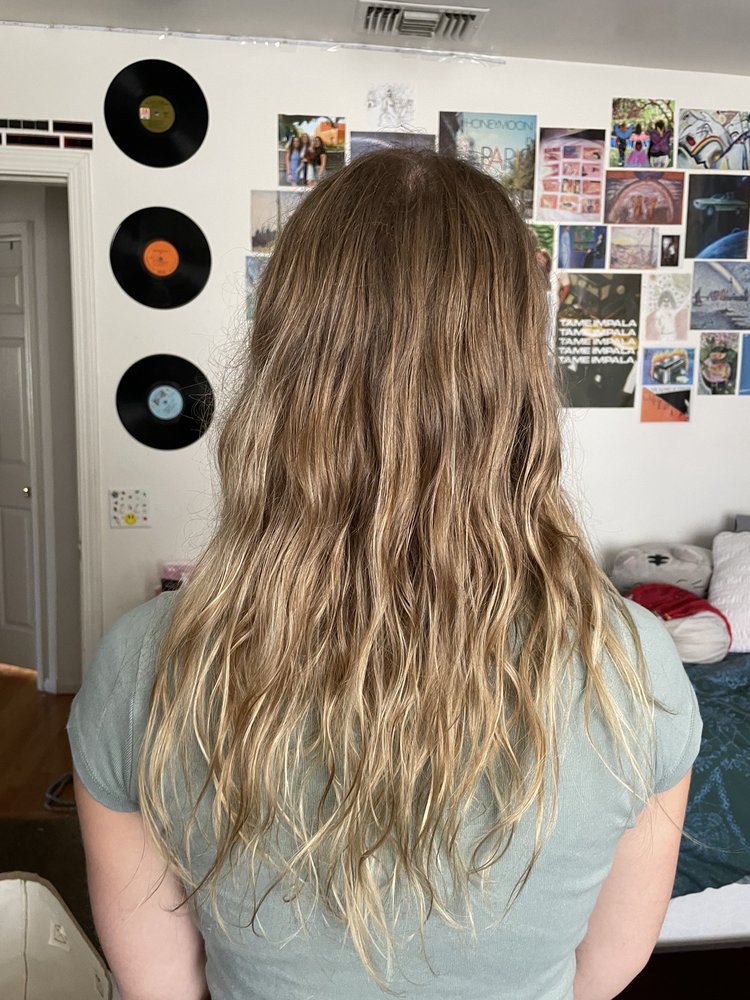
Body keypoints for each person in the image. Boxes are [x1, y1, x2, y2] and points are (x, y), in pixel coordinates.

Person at [68, 150, 701, 1000]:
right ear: (519, 374)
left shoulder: (140, 667)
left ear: (281, 362)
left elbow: (160, 986)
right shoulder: (638, 668)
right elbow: (607, 968)